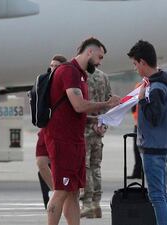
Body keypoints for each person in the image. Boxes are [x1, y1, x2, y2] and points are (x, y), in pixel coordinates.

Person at [44, 37, 120, 225]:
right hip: (62, 140)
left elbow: (75, 112)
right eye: (99, 57)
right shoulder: (68, 71)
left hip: (76, 140)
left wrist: (100, 119)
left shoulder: (81, 75)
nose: (100, 62)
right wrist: (106, 104)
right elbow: (78, 106)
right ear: (90, 52)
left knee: (74, 191)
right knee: (62, 190)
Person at [127, 40, 167, 225]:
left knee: (157, 197)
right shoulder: (158, 84)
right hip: (159, 146)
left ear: (143, 62)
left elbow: (155, 117)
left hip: (154, 148)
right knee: (162, 194)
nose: (136, 68)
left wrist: (142, 100)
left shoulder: (155, 89)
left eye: (136, 64)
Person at [80, 68, 112, 218]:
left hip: (84, 128)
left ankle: (87, 204)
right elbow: (110, 103)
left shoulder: (80, 76)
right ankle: (96, 204)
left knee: (84, 167)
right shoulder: (104, 77)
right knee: (96, 166)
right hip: (99, 129)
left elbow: (80, 105)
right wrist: (103, 124)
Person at [36, 55, 67, 197]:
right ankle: (55, 191)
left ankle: (60, 194)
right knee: (41, 162)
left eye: (56, 66)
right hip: (45, 128)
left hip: (61, 129)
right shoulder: (43, 82)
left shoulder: (67, 84)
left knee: (59, 165)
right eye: (51, 65)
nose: (52, 68)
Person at [127, 82, 143, 179]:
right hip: (138, 124)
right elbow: (133, 104)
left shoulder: (156, 84)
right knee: (136, 149)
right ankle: (137, 171)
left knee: (145, 149)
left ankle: (143, 171)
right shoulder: (138, 85)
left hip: (146, 125)